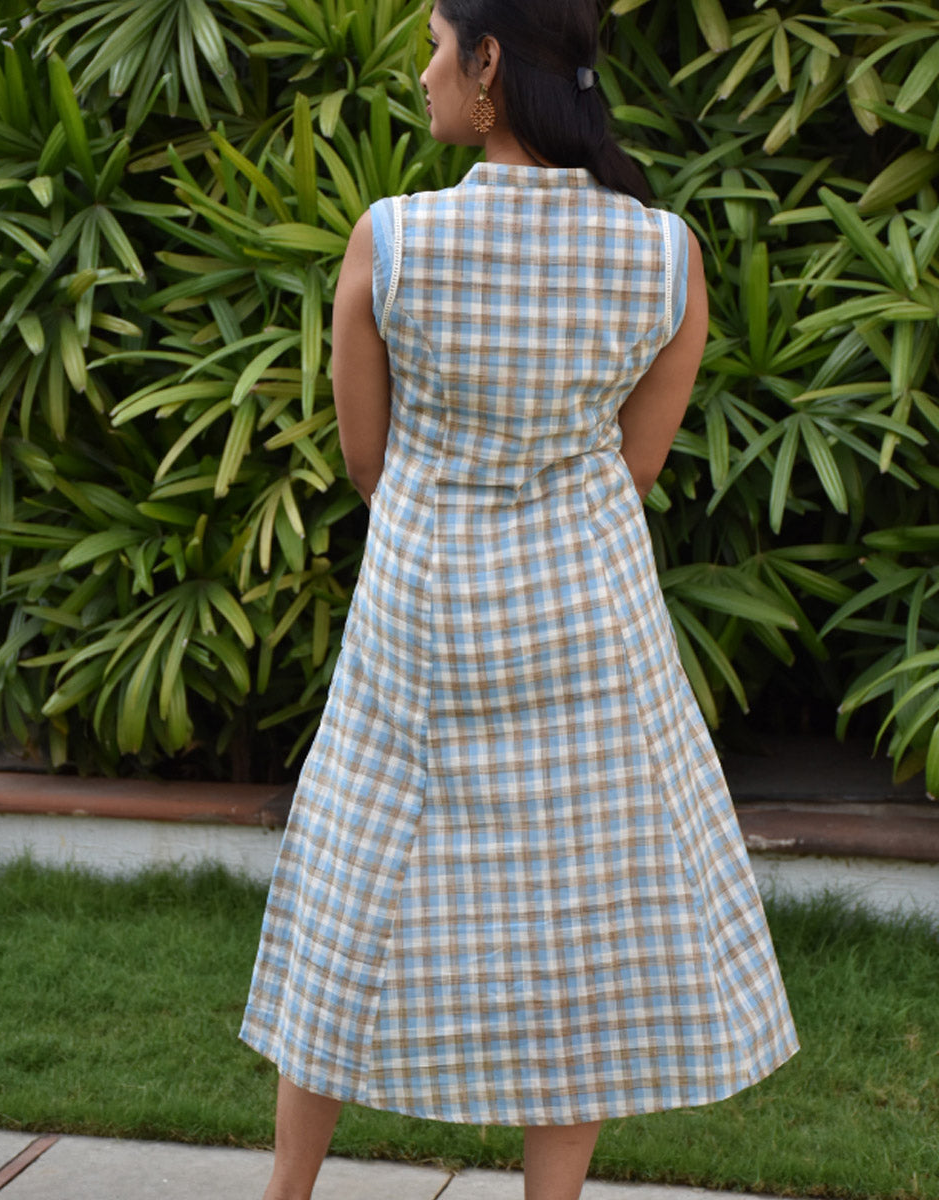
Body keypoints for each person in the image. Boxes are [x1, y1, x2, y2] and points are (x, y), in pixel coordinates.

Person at [240, 2, 800, 1197]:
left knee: (354, 890)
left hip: (422, 615)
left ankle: (285, 1194)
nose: (426, 75)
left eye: (437, 50)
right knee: (576, 917)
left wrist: (449, 516)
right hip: (589, 621)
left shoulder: (390, 241)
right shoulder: (662, 252)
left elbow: (364, 459)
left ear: (488, 64)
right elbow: (637, 465)